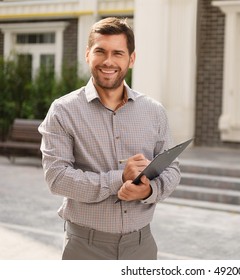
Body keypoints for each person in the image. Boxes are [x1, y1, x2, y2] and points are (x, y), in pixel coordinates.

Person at [38, 17, 180, 260]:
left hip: (141, 246)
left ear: (131, 59)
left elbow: (172, 169)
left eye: (118, 53)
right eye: (100, 51)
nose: (108, 61)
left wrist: (148, 191)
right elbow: (57, 178)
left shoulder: (154, 111)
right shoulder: (63, 110)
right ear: (87, 54)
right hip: (85, 247)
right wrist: (119, 179)